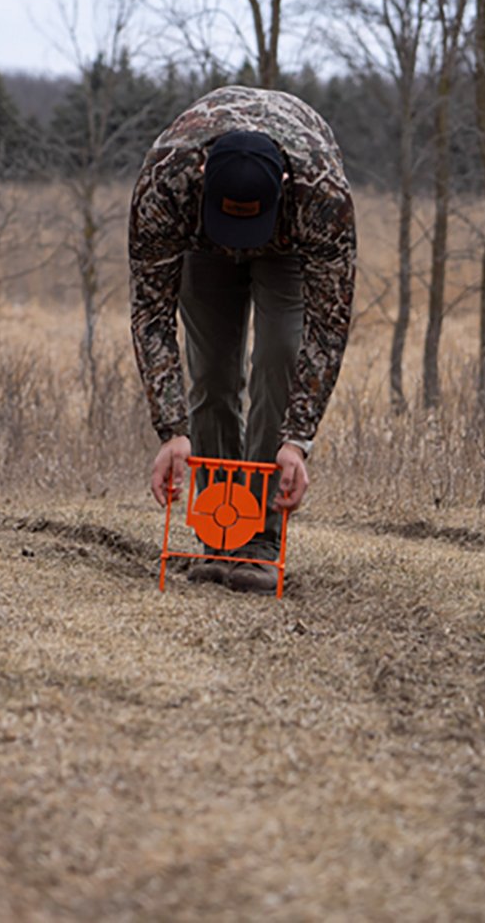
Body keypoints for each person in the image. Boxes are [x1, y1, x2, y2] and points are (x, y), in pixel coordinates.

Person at [128, 85, 356, 593]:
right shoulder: (166, 184)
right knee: (212, 370)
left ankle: (260, 542)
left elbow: (328, 326)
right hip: (199, 241)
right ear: (202, 173)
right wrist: (172, 431)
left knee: (279, 356)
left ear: (284, 183)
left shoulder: (322, 196)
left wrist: (297, 441)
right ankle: (218, 531)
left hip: (288, 244)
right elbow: (151, 313)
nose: (238, 242)